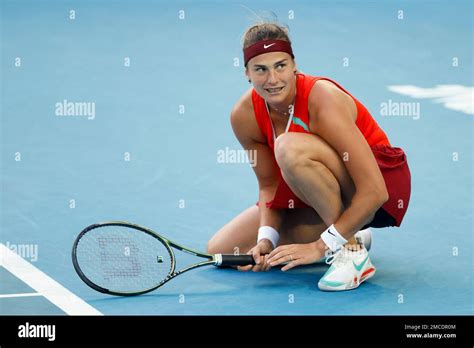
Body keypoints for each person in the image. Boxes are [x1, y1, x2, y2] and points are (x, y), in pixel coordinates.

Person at [207, 22, 411, 291]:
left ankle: (351, 252)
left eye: (280, 65)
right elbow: (269, 186)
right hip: (314, 189)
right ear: (247, 73)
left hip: (378, 186)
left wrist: (319, 247)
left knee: (287, 147)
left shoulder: (321, 98)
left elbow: (376, 192)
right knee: (223, 248)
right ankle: (351, 230)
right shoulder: (244, 115)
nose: (272, 79)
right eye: (261, 69)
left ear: (294, 65)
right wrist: (266, 240)